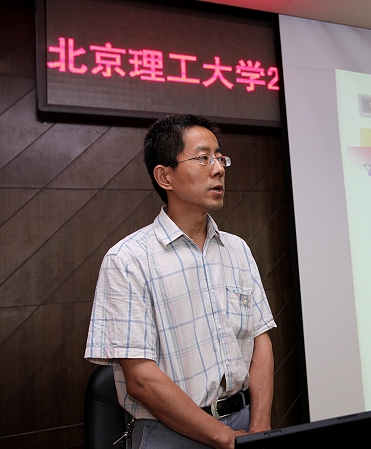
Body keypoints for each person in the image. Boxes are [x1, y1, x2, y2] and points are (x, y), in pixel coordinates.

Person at [85, 114, 276, 449]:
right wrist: (224, 438)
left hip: (246, 423)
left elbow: (260, 341)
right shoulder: (128, 260)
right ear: (165, 176)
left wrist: (260, 427)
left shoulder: (237, 250)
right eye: (203, 158)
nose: (218, 169)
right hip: (169, 434)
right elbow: (141, 379)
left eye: (220, 158)